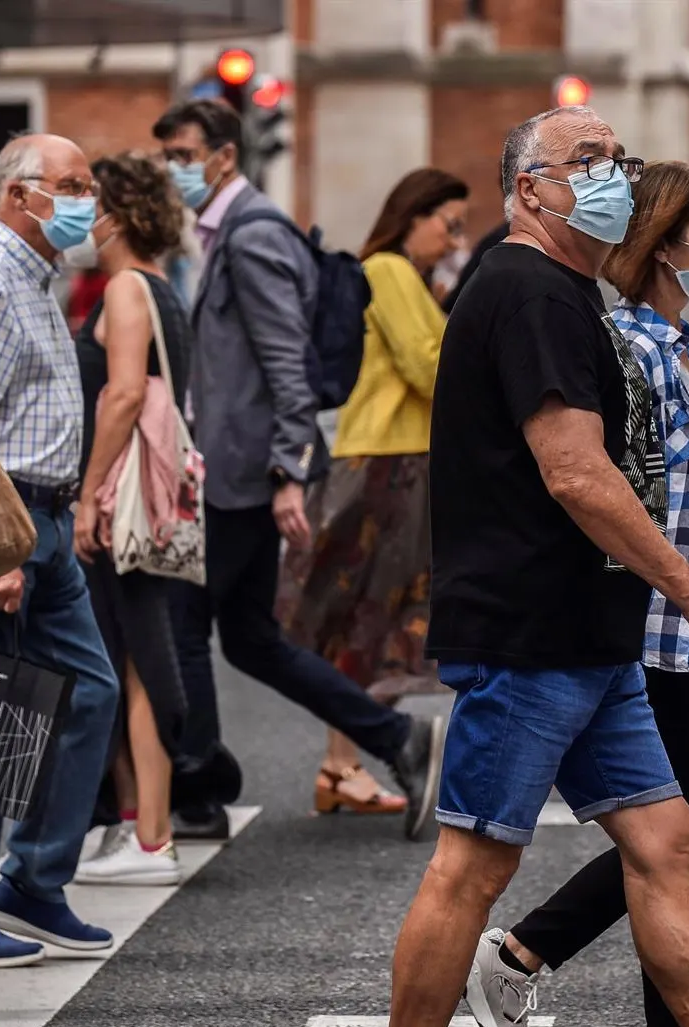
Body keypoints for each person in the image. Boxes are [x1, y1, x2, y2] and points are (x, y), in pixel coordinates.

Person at [386, 105, 689, 1027]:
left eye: (616, 159)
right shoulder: (531, 290)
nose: (610, 175)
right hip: (530, 632)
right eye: (585, 161)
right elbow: (577, 470)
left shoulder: (568, 294)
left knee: (669, 844)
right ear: (528, 189)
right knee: (472, 866)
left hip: (592, 632)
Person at [466, 161, 689, 1027]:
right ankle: (521, 950)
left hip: (669, 618)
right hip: (648, 620)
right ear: (667, 246)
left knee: (682, 841)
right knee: (683, 841)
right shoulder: (631, 343)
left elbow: (657, 460)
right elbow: (596, 474)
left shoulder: (667, 340)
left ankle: (526, 954)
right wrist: (687, 584)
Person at [153, 99, 446, 843]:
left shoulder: (251, 237)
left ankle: (197, 789)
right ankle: (396, 738)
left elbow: (287, 364)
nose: (172, 171)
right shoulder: (230, 232)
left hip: (242, 473)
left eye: (182, 156)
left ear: (224, 156)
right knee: (251, 636)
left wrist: (289, 470)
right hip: (238, 466)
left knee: (185, 621)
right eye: (166, 158)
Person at [0, 133, 121, 965]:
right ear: (17, 195)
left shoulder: (38, 278)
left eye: (88, 184)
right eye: (71, 185)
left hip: (42, 521)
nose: (88, 199)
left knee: (88, 693)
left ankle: (33, 878)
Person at [277, 167, 468, 817]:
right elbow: (430, 364)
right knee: (364, 615)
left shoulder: (407, 277)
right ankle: (342, 762)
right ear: (412, 216)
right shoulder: (386, 270)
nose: (453, 239)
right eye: (448, 222)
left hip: (400, 459)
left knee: (375, 618)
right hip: (386, 462)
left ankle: (344, 764)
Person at [69, 151, 195, 886]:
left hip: (123, 502)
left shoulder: (123, 287)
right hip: (146, 496)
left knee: (140, 661)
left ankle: (152, 834)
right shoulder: (161, 288)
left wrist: (87, 495)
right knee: (124, 653)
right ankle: (132, 825)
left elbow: (121, 397)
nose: (82, 211)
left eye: (89, 198)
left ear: (114, 213)